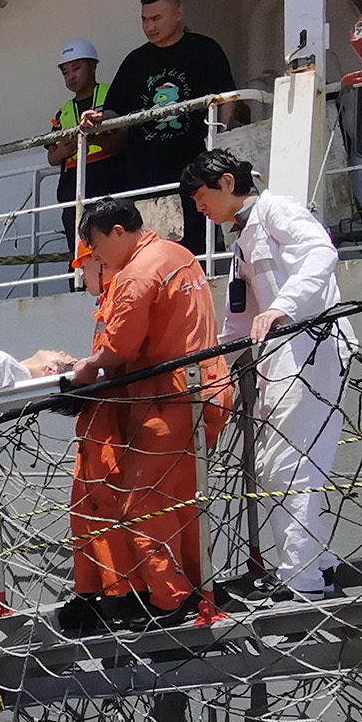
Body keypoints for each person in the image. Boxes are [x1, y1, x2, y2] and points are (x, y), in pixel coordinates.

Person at [183, 149, 356, 602]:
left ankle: (303, 580)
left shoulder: (277, 209)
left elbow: (320, 252)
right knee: (276, 467)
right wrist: (209, 363)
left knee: (290, 466)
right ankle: (314, 566)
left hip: (309, 349)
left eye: (200, 196)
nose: (199, 207)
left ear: (226, 183)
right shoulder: (243, 238)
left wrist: (283, 307)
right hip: (283, 357)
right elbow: (241, 318)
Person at [66, 198, 233, 628]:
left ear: (118, 232)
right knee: (183, 501)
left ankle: (170, 598)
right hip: (208, 389)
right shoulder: (179, 256)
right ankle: (201, 586)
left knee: (139, 505)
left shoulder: (136, 274)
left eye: (96, 246)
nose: (97, 256)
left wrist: (85, 368)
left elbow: (120, 347)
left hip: (169, 400)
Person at [82, 0, 242, 257]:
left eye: (156, 18)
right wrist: (97, 119)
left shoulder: (205, 50)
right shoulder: (134, 62)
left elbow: (227, 99)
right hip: (145, 176)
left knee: (197, 250)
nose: (149, 27)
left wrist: (222, 143)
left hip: (195, 171)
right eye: (144, 20)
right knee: (152, 252)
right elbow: (114, 111)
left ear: (179, 14)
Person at [58, 240, 138, 636]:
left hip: (111, 426)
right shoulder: (110, 300)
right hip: (99, 425)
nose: (81, 275)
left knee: (105, 507)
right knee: (88, 509)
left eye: (84, 267)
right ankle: (95, 591)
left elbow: (118, 360)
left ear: (101, 263)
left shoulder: (121, 298)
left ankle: (118, 594)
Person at [48, 39, 116, 251]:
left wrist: (91, 139)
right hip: (73, 186)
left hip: (108, 178)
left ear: (93, 66)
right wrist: (62, 151)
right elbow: (51, 156)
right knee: (78, 248)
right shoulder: (63, 112)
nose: (71, 76)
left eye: (76, 68)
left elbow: (124, 139)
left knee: (110, 242)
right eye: (65, 72)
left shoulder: (112, 95)